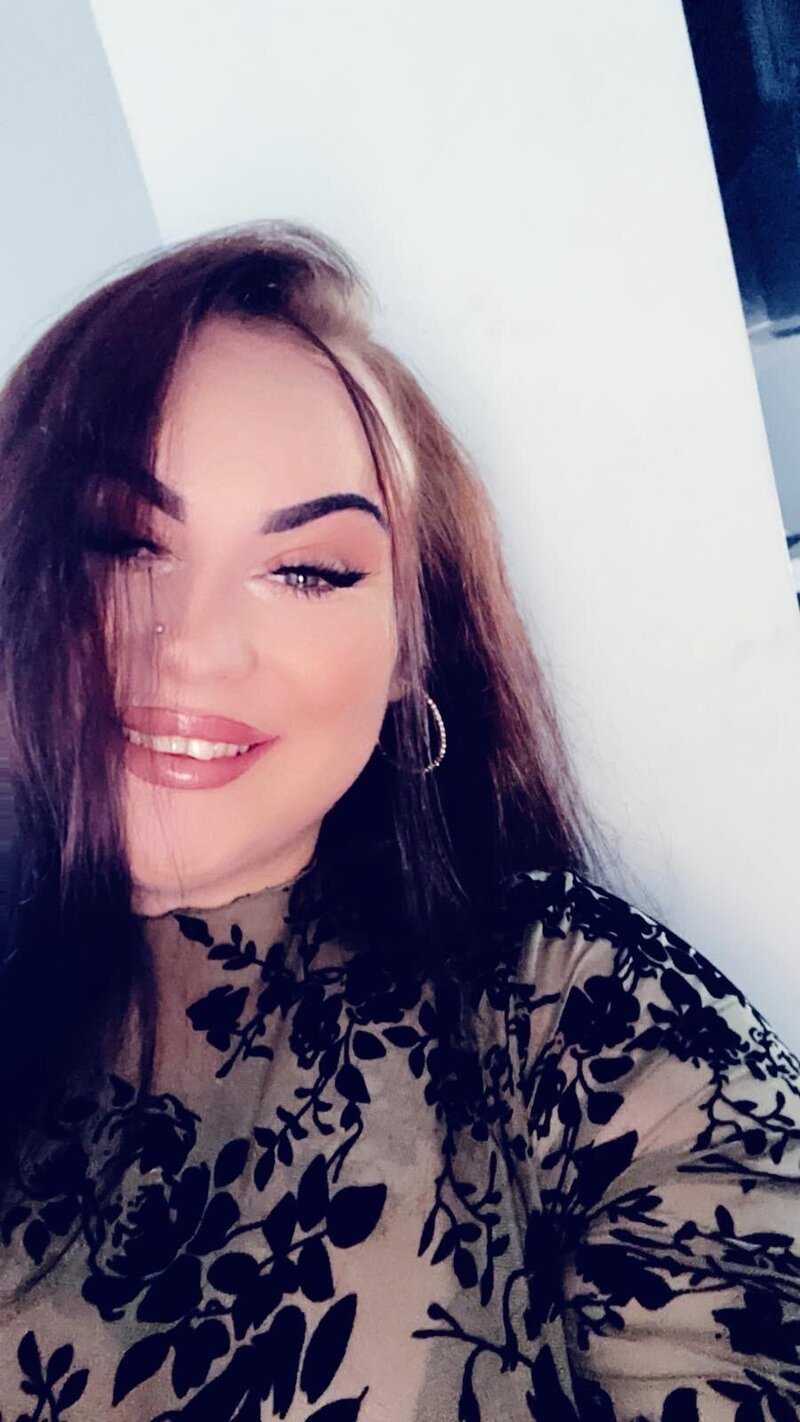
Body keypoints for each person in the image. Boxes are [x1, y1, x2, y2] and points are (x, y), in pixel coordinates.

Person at [0, 223, 796, 1422]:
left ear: (407, 657)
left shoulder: (562, 1009)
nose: (196, 647)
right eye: (124, 541)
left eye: (309, 571)